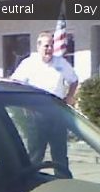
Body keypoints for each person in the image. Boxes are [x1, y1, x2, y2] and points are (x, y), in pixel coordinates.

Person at [11, 31, 78, 177]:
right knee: (36, 153)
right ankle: (28, 182)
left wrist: (69, 96)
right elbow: (15, 83)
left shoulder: (61, 63)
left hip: (57, 111)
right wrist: (23, 103)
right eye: (46, 46)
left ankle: (64, 183)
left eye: (51, 46)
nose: (49, 49)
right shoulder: (29, 63)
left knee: (60, 153)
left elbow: (74, 80)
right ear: (38, 46)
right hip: (35, 113)